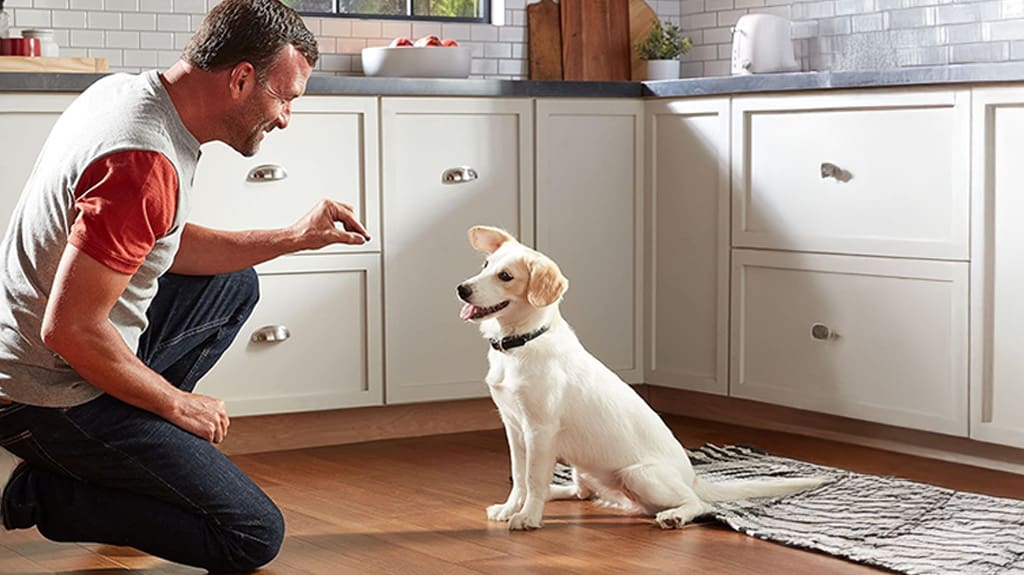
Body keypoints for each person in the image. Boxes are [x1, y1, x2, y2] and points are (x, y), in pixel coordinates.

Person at [0, 0, 369, 570]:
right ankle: (45, 492)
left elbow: (161, 240)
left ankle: (120, 450)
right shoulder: (142, 157)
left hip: (46, 355)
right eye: (285, 98)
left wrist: (295, 235)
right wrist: (178, 405)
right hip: (43, 393)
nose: (286, 118)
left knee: (232, 286)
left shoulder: (126, 93)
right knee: (250, 535)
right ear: (241, 78)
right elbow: (70, 330)